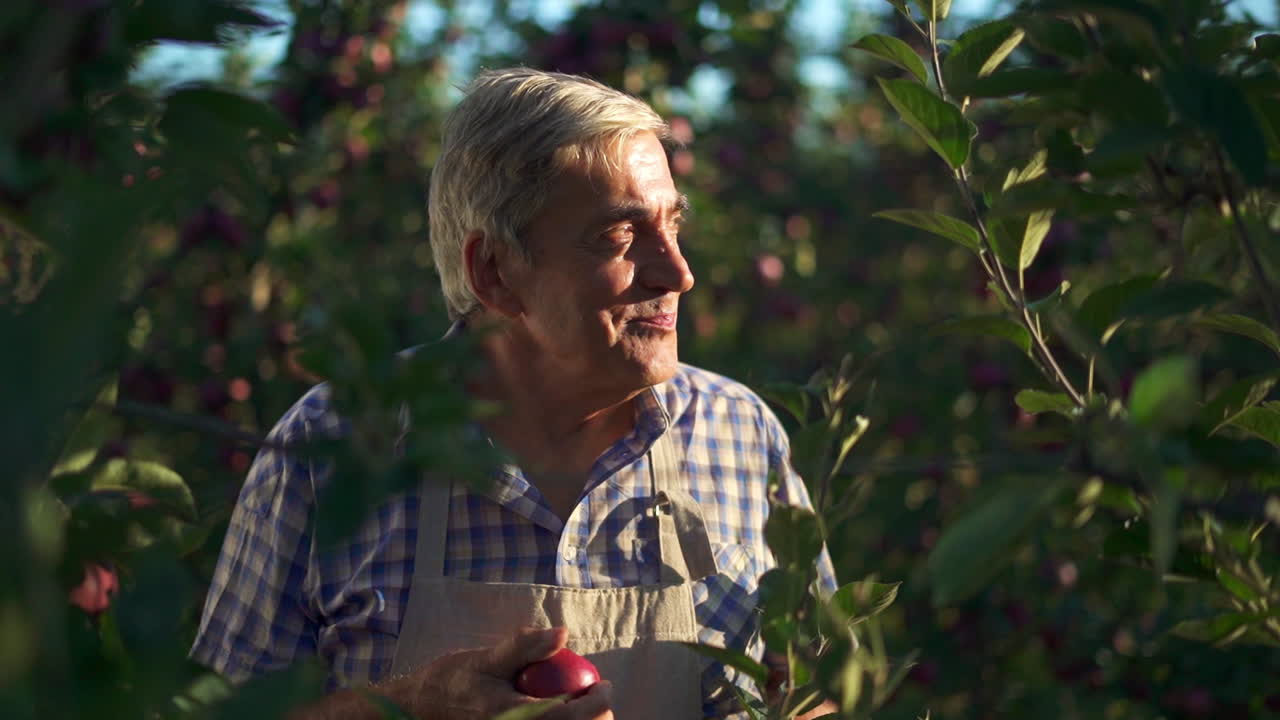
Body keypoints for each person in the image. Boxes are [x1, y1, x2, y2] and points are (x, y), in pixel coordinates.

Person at [190, 68, 838, 719]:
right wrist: (412, 706)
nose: (678, 271)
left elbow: (822, 692)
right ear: (495, 273)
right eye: (621, 234)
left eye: (672, 224)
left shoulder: (739, 435)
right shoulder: (333, 445)